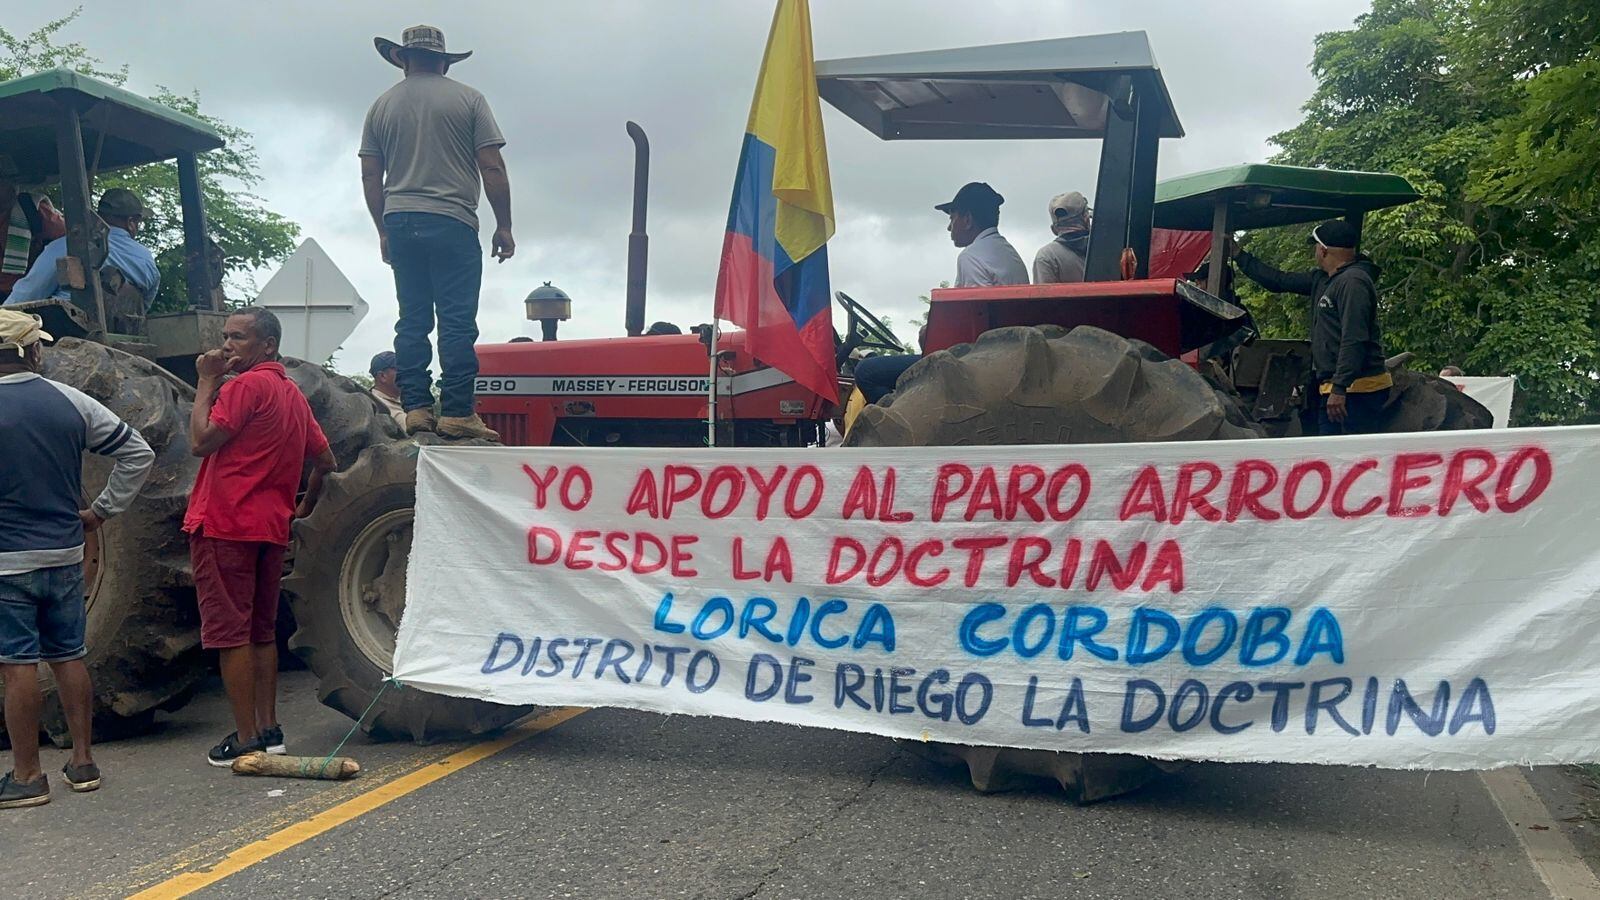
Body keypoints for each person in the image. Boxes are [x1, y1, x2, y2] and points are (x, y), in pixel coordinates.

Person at [0, 310, 154, 808]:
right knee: (68, 656)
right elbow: (138, 453)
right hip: (66, 556)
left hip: (7, 563)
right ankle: (83, 761)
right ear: (31, 350)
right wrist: (102, 512)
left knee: (17, 665)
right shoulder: (70, 401)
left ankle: (27, 776)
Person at [185, 307, 336, 766]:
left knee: (231, 634)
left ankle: (246, 737)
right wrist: (303, 506)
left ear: (267, 345)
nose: (227, 345)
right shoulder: (291, 392)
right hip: (271, 527)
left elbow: (200, 441)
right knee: (261, 632)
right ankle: (270, 729)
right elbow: (325, 461)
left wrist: (207, 382)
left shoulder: (244, 386)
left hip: (226, 524)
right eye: (225, 336)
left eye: (239, 338)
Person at [360, 25, 512, 442]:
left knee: (412, 320)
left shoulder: (381, 106)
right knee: (456, 321)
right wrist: (504, 224)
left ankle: (417, 410)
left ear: (402, 59)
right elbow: (492, 166)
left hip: (401, 220)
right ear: (444, 61)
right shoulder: (469, 99)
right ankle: (458, 412)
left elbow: (371, 174)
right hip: (453, 220)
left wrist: (383, 229)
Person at [1234, 220, 1390, 434]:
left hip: (1357, 389)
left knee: (1345, 455)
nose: (1315, 252)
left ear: (1324, 250)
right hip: (1333, 386)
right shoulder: (1323, 280)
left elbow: (1354, 338)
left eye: (1315, 247)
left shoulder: (1354, 282)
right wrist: (1239, 255)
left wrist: (1340, 387)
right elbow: (1278, 280)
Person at [6, 188, 160, 306]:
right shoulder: (147, 260)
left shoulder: (67, 245)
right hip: (123, 333)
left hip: (65, 332)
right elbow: (143, 306)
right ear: (131, 222)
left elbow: (27, 295)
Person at [936, 182, 1028, 288]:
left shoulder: (971, 257)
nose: (949, 227)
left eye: (952, 218)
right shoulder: (1010, 253)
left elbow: (977, 304)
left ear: (967, 220)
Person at [1032, 191, 1091, 284]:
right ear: (1086, 218)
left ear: (1054, 229)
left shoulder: (1047, 257)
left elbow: (1042, 296)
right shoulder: (1111, 249)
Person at [368, 350, 406, 426]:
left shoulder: (408, 401)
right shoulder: (372, 407)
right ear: (382, 376)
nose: (406, 374)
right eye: (400, 369)